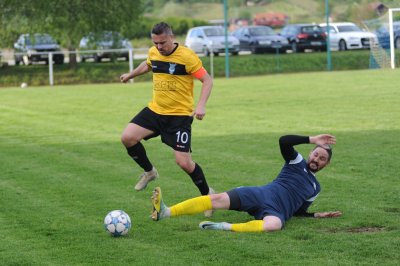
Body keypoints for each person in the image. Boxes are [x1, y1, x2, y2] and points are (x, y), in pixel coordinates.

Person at [150, 134, 342, 232]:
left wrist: (316, 215)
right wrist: (311, 139)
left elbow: (298, 211)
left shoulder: (316, 188)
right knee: (215, 199)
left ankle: (223, 226)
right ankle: (166, 212)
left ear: (327, 163)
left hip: (277, 211)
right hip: (262, 194)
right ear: (310, 153)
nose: (317, 159)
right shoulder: (296, 161)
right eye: (316, 154)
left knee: (273, 226)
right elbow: (284, 141)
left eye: (322, 158)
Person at [119, 22, 214, 216]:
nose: (159, 47)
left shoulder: (187, 56)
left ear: (171, 37)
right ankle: (150, 172)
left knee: (184, 163)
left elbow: (207, 80)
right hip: (156, 111)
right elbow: (148, 65)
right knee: (127, 137)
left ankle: (208, 198)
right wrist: (130, 75)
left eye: (162, 42)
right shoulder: (154, 52)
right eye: (155, 43)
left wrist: (201, 105)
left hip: (179, 116)